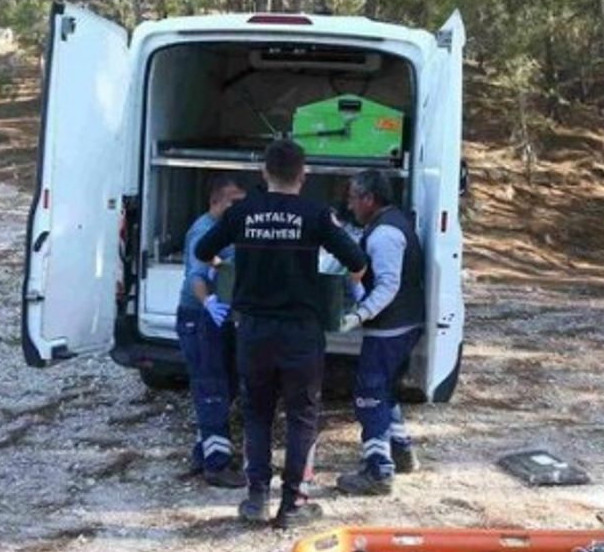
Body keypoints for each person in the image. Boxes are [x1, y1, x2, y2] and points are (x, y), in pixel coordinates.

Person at [196, 139, 367, 528]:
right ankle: (293, 505)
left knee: (257, 413)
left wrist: (229, 265)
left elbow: (204, 251)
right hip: (301, 333)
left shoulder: (242, 212)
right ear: (303, 176)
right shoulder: (315, 214)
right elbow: (357, 262)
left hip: (253, 330)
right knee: (302, 416)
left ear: (264, 173)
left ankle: (256, 499)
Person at [335, 169, 425, 496]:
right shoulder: (389, 222)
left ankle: (378, 471)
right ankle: (401, 451)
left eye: (353, 197)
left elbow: (388, 285)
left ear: (369, 199)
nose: (350, 204)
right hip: (404, 323)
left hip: (390, 328)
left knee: (369, 395)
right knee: (386, 390)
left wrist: (359, 314)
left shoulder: (385, 234)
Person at [177, 174, 246, 488]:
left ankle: (204, 452)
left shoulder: (228, 229)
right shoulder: (204, 230)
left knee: (224, 385)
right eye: (234, 201)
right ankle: (216, 466)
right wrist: (208, 303)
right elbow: (197, 275)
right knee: (212, 389)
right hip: (198, 316)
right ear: (216, 200)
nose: (239, 207)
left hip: (219, 318)